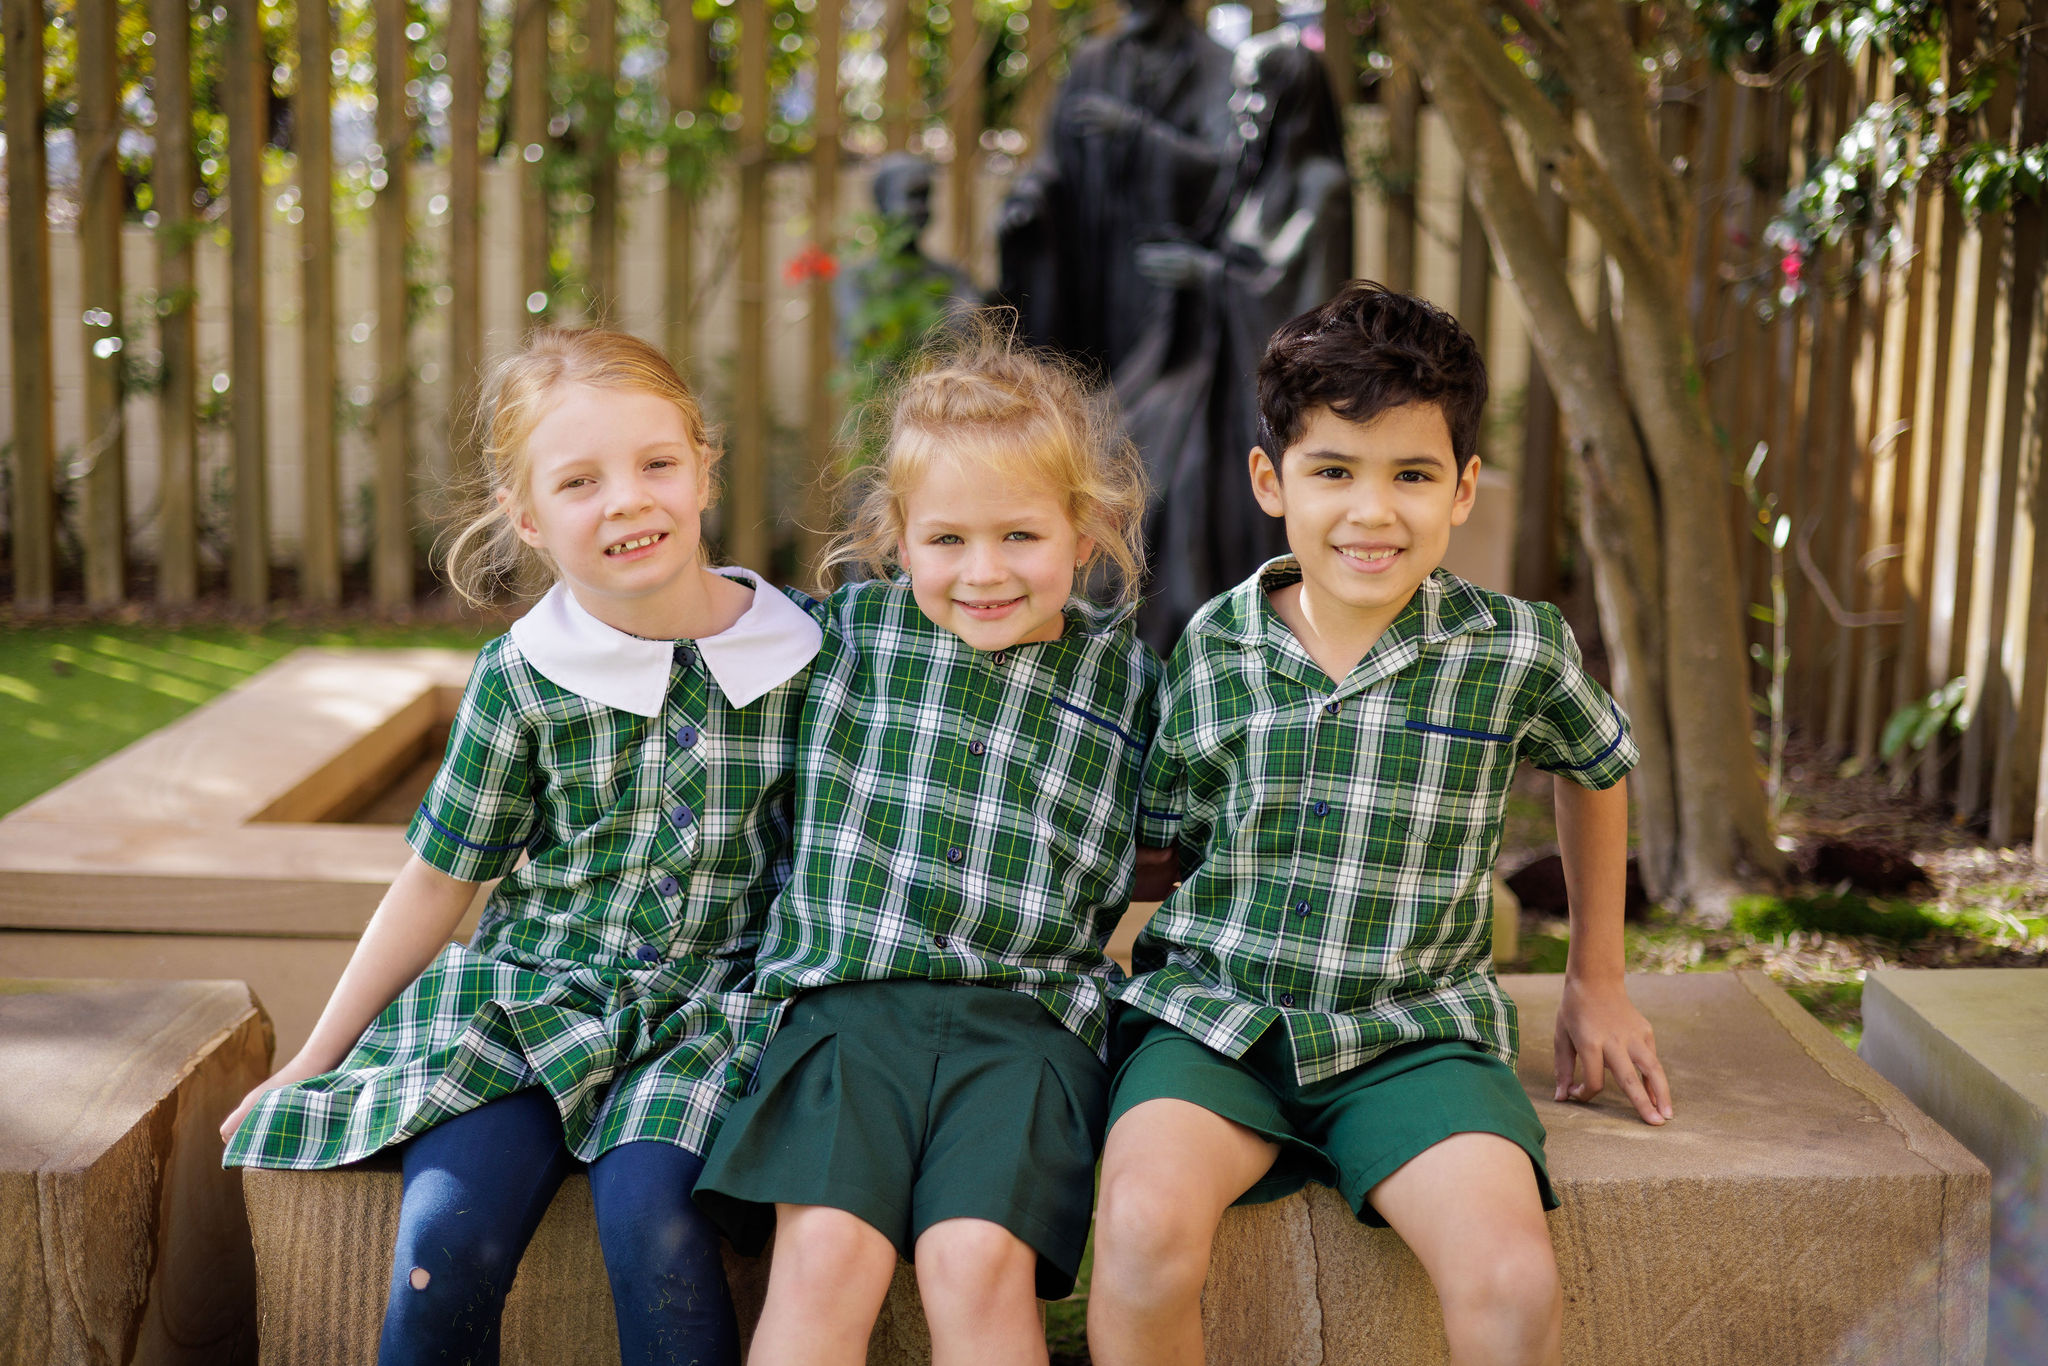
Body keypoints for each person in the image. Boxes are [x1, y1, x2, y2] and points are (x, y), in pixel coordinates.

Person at [1087, 282, 1673, 1366]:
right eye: (1332, 473)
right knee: (1136, 1231)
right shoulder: (1212, 647)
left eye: (1409, 475)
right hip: (1218, 1021)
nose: (1370, 512)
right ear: (1271, 480)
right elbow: (1160, 847)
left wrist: (1598, 977)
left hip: (1413, 1032)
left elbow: (1596, 767)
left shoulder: (1512, 649)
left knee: (1507, 1281)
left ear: (1461, 489)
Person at [220, 327, 824, 1366]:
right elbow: (438, 879)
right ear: (529, 518)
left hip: (711, 1021)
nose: (627, 500)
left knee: (659, 1232)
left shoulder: (805, 653)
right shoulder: (526, 675)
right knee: (440, 1242)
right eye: (579, 481)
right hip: (528, 999)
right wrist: (315, 1058)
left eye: (655, 464)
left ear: (702, 466)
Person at [694, 322, 1159, 1366]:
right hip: (846, 1011)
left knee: (974, 1265)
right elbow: (692, 621)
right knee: (823, 1258)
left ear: (1083, 530)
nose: (982, 571)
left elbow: (1179, 835)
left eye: (1019, 537)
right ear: (897, 538)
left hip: (1025, 1025)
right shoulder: (841, 638)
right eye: (946, 539)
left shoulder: (1129, 683)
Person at [1117, 26, 1355, 654]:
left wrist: (1208, 273)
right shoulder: (1250, 179)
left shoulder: (1320, 185)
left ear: (1293, 100)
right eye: (1238, 93)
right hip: (1212, 381)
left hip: (1263, 402)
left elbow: (1299, 300)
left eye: (1257, 94)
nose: (1241, 110)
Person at [997, 0, 1236, 379]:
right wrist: (1026, 200)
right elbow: (1053, 159)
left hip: (1163, 264)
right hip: (1094, 255)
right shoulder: (1093, 62)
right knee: (1091, 376)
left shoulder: (1216, 65)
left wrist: (1136, 131)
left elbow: (1223, 167)